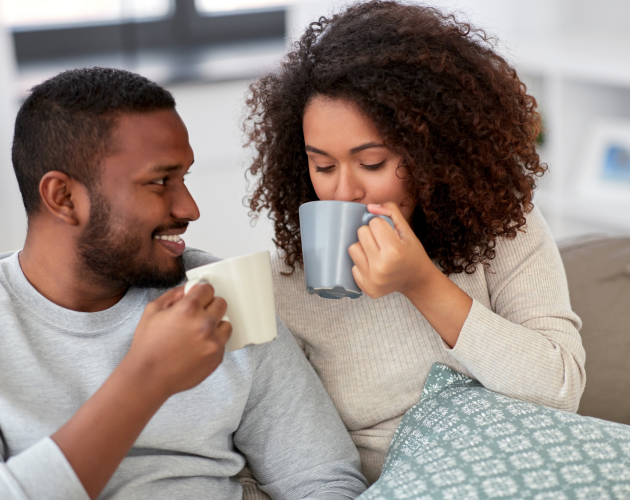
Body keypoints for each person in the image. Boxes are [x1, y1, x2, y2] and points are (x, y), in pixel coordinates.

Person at [0, 67, 368, 500]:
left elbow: (323, 480)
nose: (190, 208)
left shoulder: (218, 292)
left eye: (185, 178)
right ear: (63, 198)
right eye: (160, 182)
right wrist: (146, 379)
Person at [245, 0, 585, 483]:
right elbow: (286, 457)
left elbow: (560, 389)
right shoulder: (288, 281)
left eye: (372, 163)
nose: (343, 192)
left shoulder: (503, 226)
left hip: (520, 472)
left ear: (432, 150)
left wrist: (422, 284)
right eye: (322, 166)